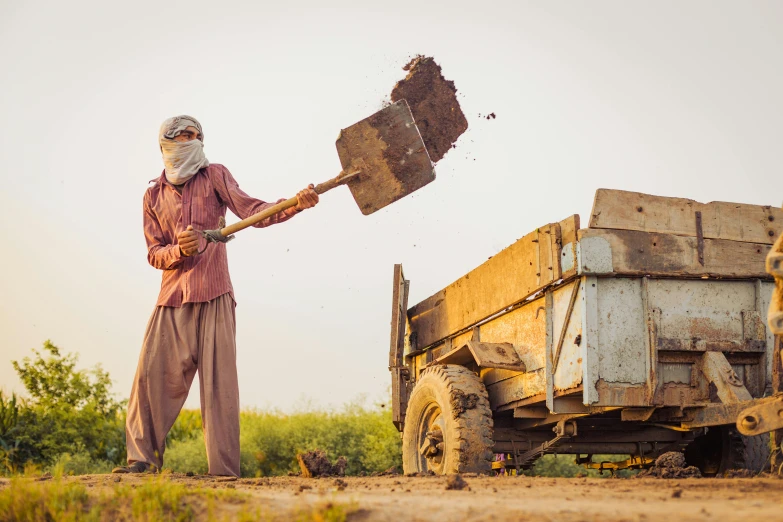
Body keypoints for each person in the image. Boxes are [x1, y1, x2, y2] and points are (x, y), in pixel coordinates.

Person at [112, 115, 318, 476]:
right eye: (182, 137)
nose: (191, 141)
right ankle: (142, 462)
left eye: (196, 136)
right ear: (166, 145)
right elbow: (153, 253)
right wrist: (180, 251)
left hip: (216, 293)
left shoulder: (215, 175)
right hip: (172, 298)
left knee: (220, 387)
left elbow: (254, 211)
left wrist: (296, 203)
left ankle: (223, 471)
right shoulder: (152, 196)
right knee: (150, 378)